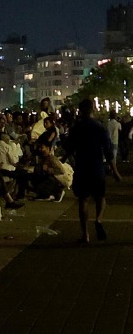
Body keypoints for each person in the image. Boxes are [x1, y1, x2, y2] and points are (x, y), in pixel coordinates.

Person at [64, 99, 115, 243]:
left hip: (82, 167)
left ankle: (85, 234)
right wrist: (115, 171)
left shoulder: (76, 128)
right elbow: (108, 150)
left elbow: (69, 148)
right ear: (93, 109)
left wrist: (62, 159)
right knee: (100, 197)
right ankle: (98, 219)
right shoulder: (100, 127)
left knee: (83, 200)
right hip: (97, 166)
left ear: (80, 110)